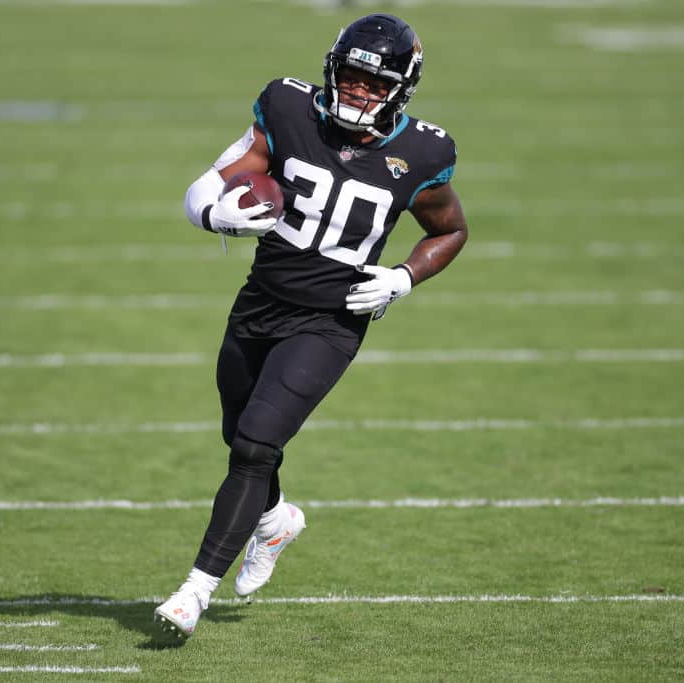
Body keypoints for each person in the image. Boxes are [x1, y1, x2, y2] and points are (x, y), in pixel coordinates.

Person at [155, 13, 468, 640]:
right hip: (260, 302)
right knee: (236, 433)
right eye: (351, 77)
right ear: (332, 69)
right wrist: (214, 214)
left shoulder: (423, 152)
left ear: (401, 90)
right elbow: (209, 183)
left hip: (331, 320)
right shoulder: (289, 107)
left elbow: (449, 230)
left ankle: (195, 590)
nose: (357, 92)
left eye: (373, 85)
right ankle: (274, 520)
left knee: (254, 447)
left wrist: (403, 277)